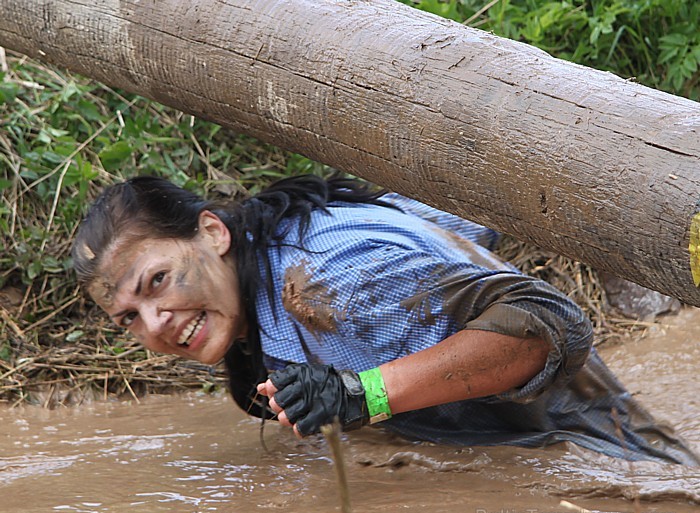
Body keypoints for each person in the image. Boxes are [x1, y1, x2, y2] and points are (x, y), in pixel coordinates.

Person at [72, 174, 698, 465]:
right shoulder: (261, 279)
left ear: (212, 231)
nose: (156, 323)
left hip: (604, 460)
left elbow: (551, 320)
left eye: (157, 281)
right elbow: (463, 213)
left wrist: (360, 393)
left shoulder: (324, 284)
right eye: (129, 317)